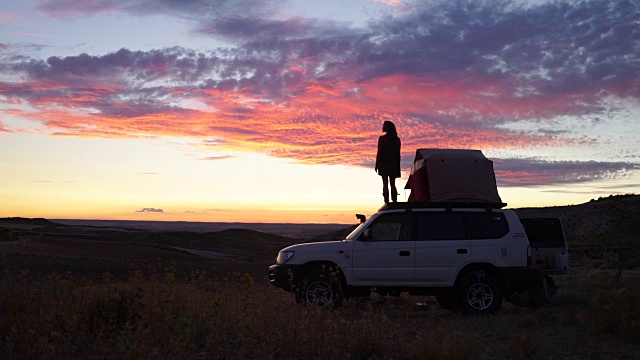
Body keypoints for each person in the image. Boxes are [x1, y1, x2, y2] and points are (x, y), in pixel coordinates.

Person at [375, 121, 401, 204]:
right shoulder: (396, 139)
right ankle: (394, 201)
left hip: (384, 164)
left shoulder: (382, 139)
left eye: (383, 126)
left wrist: (377, 164)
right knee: (392, 183)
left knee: (385, 183)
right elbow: (398, 154)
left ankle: (387, 202)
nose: (382, 127)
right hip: (393, 164)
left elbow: (379, 152)